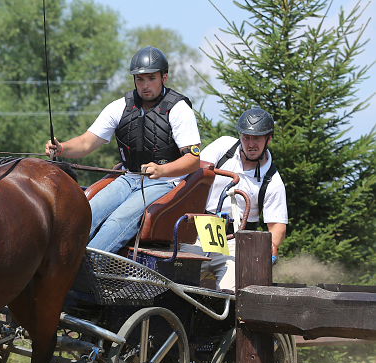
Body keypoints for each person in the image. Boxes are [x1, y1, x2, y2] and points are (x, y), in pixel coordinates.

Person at [46, 46, 202, 253]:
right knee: (86, 212)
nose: (145, 85)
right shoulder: (120, 107)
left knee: (117, 222)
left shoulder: (179, 109)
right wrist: (62, 147)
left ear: (164, 78)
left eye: (151, 78)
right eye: (140, 79)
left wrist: (161, 170)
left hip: (164, 183)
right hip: (128, 178)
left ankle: (86, 269)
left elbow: (193, 160)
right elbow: (86, 142)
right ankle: (59, 262)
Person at [179, 107, 287, 292]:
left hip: (236, 242)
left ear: (269, 138)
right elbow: (194, 174)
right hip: (197, 232)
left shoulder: (273, 181)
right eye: (246, 137)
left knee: (230, 291)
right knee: (175, 277)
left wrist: (271, 247)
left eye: (257, 138)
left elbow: (277, 226)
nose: (251, 144)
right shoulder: (223, 147)